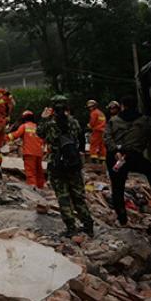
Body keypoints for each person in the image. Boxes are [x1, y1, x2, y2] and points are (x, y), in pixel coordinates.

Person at [104, 95, 151, 225]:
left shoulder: (113, 121)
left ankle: (122, 218)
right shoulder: (145, 120)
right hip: (133, 155)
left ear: (122, 106)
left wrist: (115, 151)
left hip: (115, 157)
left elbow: (107, 138)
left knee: (117, 187)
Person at [37, 95, 94, 236]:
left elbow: (39, 133)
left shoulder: (50, 123)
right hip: (74, 163)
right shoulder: (74, 122)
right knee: (78, 197)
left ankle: (71, 228)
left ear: (52, 108)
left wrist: (44, 118)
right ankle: (88, 225)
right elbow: (80, 138)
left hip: (57, 164)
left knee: (63, 197)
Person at [7, 110, 45, 188]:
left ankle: (32, 188)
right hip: (39, 153)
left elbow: (16, 135)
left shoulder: (24, 126)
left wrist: (5, 137)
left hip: (29, 152)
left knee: (30, 172)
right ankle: (41, 187)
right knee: (39, 171)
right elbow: (42, 140)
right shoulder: (37, 127)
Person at [86, 99, 107, 165]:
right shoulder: (101, 113)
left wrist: (89, 126)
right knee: (102, 145)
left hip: (96, 131)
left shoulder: (94, 113)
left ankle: (94, 160)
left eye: (90, 107)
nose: (90, 108)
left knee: (93, 145)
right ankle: (102, 160)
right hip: (103, 131)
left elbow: (92, 122)